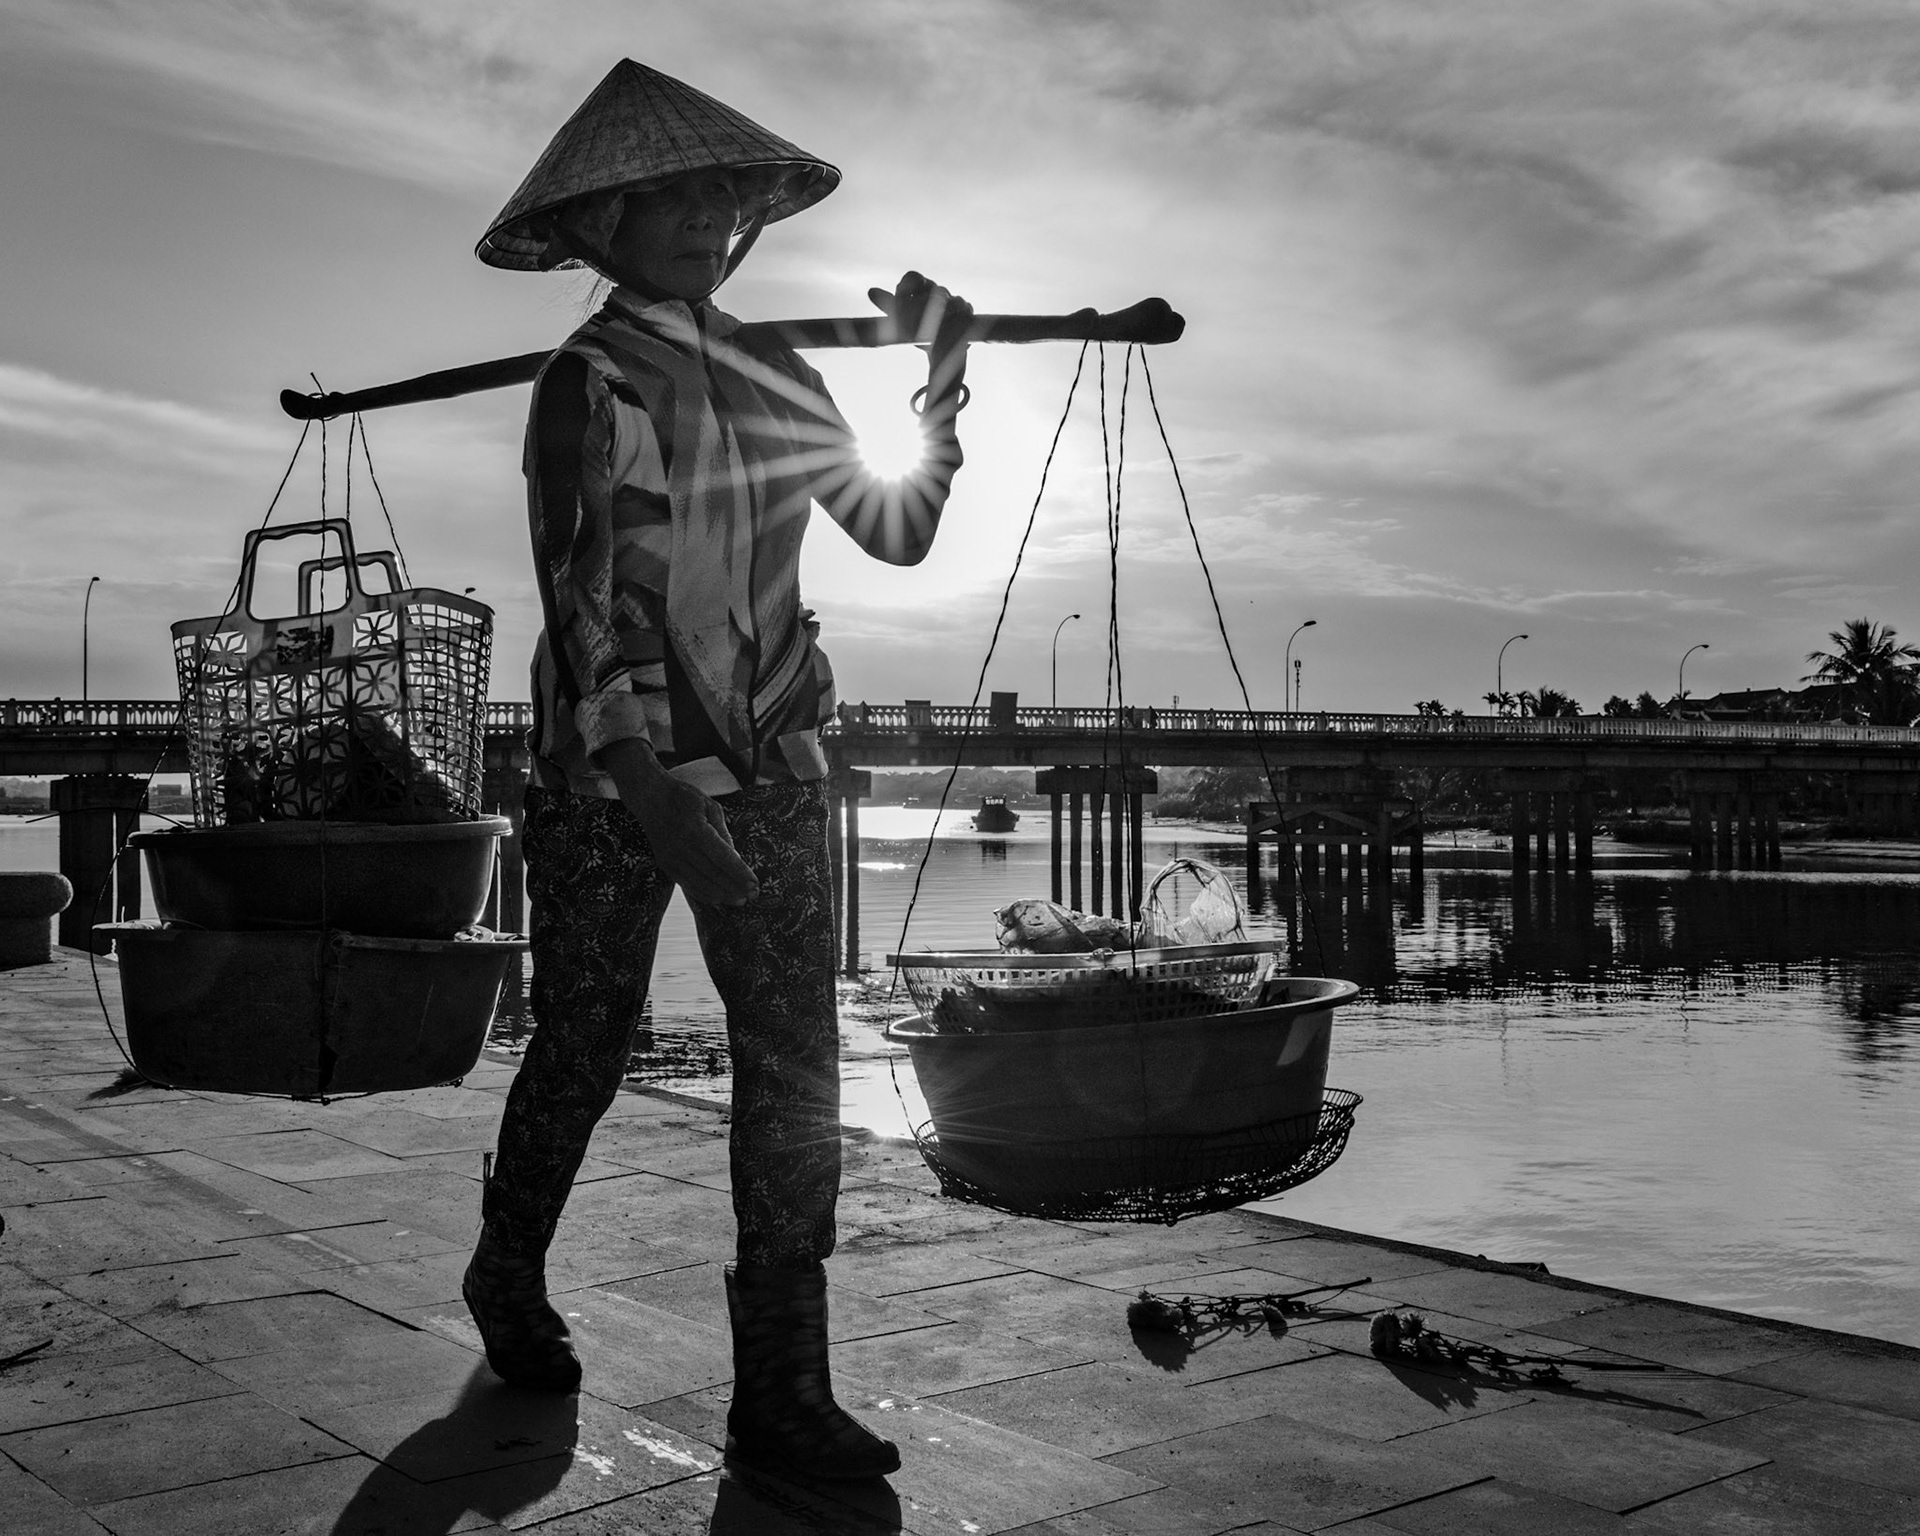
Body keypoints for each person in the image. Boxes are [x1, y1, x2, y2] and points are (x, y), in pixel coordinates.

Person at [465, 59, 971, 1483]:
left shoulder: (774, 369)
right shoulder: (584, 382)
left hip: (778, 761)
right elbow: (574, 601)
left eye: (719, 195)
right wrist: (640, 779)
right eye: (671, 195)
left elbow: (899, 531)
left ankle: (784, 1388)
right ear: (604, 224)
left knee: (793, 1059)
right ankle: (508, 1268)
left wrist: (939, 384)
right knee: (585, 1038)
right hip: (616, 782)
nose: (704, 213)